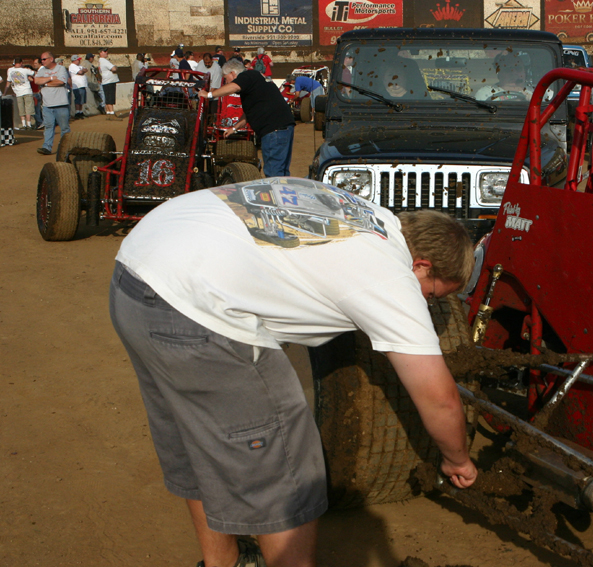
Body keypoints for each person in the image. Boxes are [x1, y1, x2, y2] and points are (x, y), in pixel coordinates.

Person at [109, 179, 478, 567]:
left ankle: (224, 562)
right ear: (422, 265)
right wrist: (457, 460)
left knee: (197, 436)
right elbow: (439, 399)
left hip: (136, 272)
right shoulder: (393, 275)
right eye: (432, 295)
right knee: (288, 470)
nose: (427, 304)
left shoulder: (368, 215)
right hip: (194, 308)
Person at [199, 59, 296, 177]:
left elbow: (234, 86)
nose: (226, 82)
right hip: (284, 126)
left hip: (273, 129)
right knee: (282, 170)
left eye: (226, 78)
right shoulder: (254, 82)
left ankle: (277, 188)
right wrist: (234, 128)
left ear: (233, 73)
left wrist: (209, 94)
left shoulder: (246, 75)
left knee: (274, 172)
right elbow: (248, 113)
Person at [34, 51, 71, 155]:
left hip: (61, 104)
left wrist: (45, 83)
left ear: (51, 59)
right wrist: (50, 78)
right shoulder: (42, 70)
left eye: (44, 59)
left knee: (64, 128)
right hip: (47, 105)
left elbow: (60, 81)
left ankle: (65, 149)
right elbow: (36, 81)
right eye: (41, 59)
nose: (42, 61)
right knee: (48, 127)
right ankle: (47, 147)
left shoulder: (60, 69)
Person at [4, 57, 35, 129]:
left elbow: (8, 82)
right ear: (21, 63)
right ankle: (29, 124)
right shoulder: (25, 70)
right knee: (28, 108)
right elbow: (34, 73)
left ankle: (23, 124)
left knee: (21, 109)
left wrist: (5, 93)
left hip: (18, 93)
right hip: (27, 91)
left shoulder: (10, 70)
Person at [99, 47, 119, 116]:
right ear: (100, 53)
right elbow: (114, 69)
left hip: (105, 81)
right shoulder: (104, 61)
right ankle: (112, 113)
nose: (106, 52)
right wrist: (116, 67)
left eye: (106, 51)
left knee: (107, 98)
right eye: (104, 51)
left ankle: (108, 112)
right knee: (110, 98)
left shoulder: (101, 61)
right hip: (109, 81)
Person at [68, 54, 88, 119]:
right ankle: (77, 112)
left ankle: (80, 111)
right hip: (77, 85)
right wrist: (83, 71)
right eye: (78, 60)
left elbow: (86, 69)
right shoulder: (72, 66)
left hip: (82, 85)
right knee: (78, 99)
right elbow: (80, 72)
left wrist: (83, 70)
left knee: (82, 99)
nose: (79, 61)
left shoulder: (79, 66)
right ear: (74, 60)